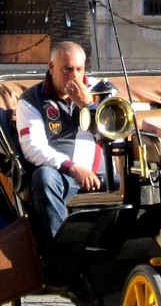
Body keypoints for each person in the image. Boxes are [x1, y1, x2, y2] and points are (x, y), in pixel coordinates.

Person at [15, 40, 105, 252]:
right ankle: (60, 254)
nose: (75, 76)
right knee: (43, 178)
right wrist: (72, 168)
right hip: (64, 175)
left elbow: (117, 134)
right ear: (51, 67)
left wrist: (88, 106)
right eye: (68, 69)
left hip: (105, 174)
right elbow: (33, 147)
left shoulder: (101, 91)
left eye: (80, 69)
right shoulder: (31, 100)